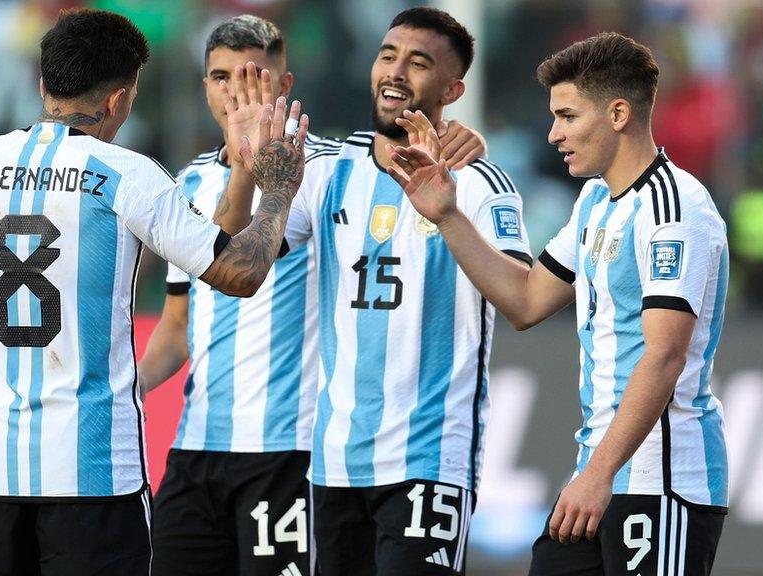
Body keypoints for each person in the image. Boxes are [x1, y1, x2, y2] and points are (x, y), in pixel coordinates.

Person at [0, 9, 309, 575]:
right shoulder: (129, 176)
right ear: (118, 99)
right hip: (92, 471)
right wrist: (280, 188)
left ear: (44, 85)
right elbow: (241, 274)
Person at [140, 15, 487, 576]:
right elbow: (183, 315)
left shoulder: (316, 170)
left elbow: (387, 154)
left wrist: (458, 134)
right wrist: (127, 387)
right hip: (197, 440)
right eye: (221, 77)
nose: (236, 92)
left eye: (251, 77)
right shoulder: (188, 182)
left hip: (292, 446)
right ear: (204, 85)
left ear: (284, 86)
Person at [386, 32, 729, 576]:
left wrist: (598, 475)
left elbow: (665, 358)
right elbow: (526, 300)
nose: (554, 134)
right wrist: (448, 216)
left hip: (660, 482)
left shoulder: (675, 208)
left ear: (618, 113)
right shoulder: (596, 200)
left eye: (567, 116)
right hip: (600, 473)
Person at [216, 8, 528, 575]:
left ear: (455, 89)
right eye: (388, 55)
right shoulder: (327, 171)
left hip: (428, 457)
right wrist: (243, 167)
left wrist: (450, 215)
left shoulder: (479, 181)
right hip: (334, 463)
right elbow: (239, 268)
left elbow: (521, 303)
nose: (396, 72)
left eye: (418, 62)